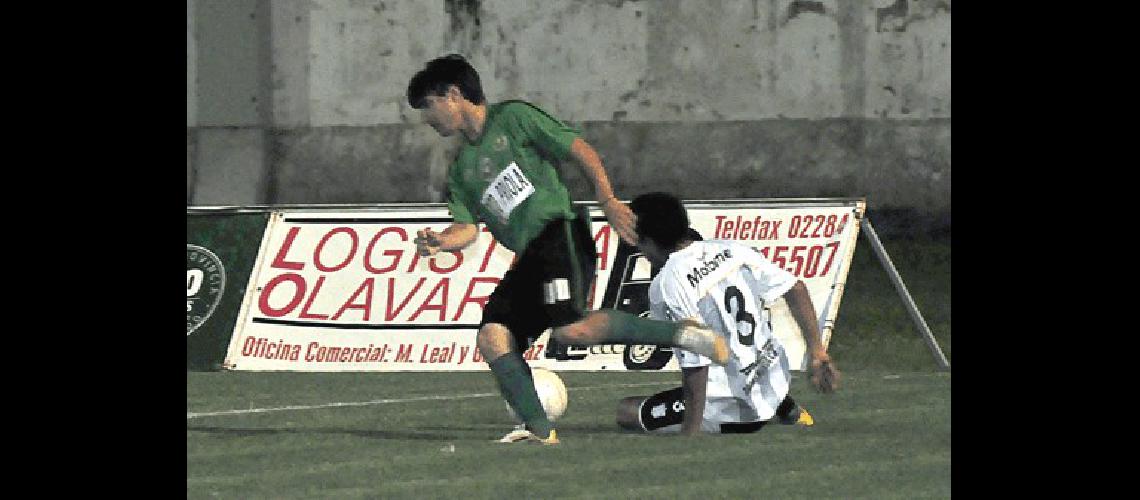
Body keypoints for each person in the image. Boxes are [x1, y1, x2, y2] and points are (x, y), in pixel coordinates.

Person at [405, 55, 729, 445]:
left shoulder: (514, 118)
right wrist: (442, 241)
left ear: (453, 94)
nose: (427, 117)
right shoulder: (461, 170)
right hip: (529, 257)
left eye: (428, 105)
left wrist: (607, 199)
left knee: (570, 330)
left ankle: (684, 335)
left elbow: (579, 149)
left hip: (560, 234)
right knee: (493, 336)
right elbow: (467, 229)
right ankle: (540, 432)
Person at [615, 192, 840, 435]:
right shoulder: (730, 249)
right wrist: (817, 351)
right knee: (737, 355)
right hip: (774, 378)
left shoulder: (668, 282)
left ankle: (752, 409)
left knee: (626, 411)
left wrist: (689, 433)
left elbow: (696, 364)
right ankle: (783, 405)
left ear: (645, 240)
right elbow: (795, 288)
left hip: (733, 408)